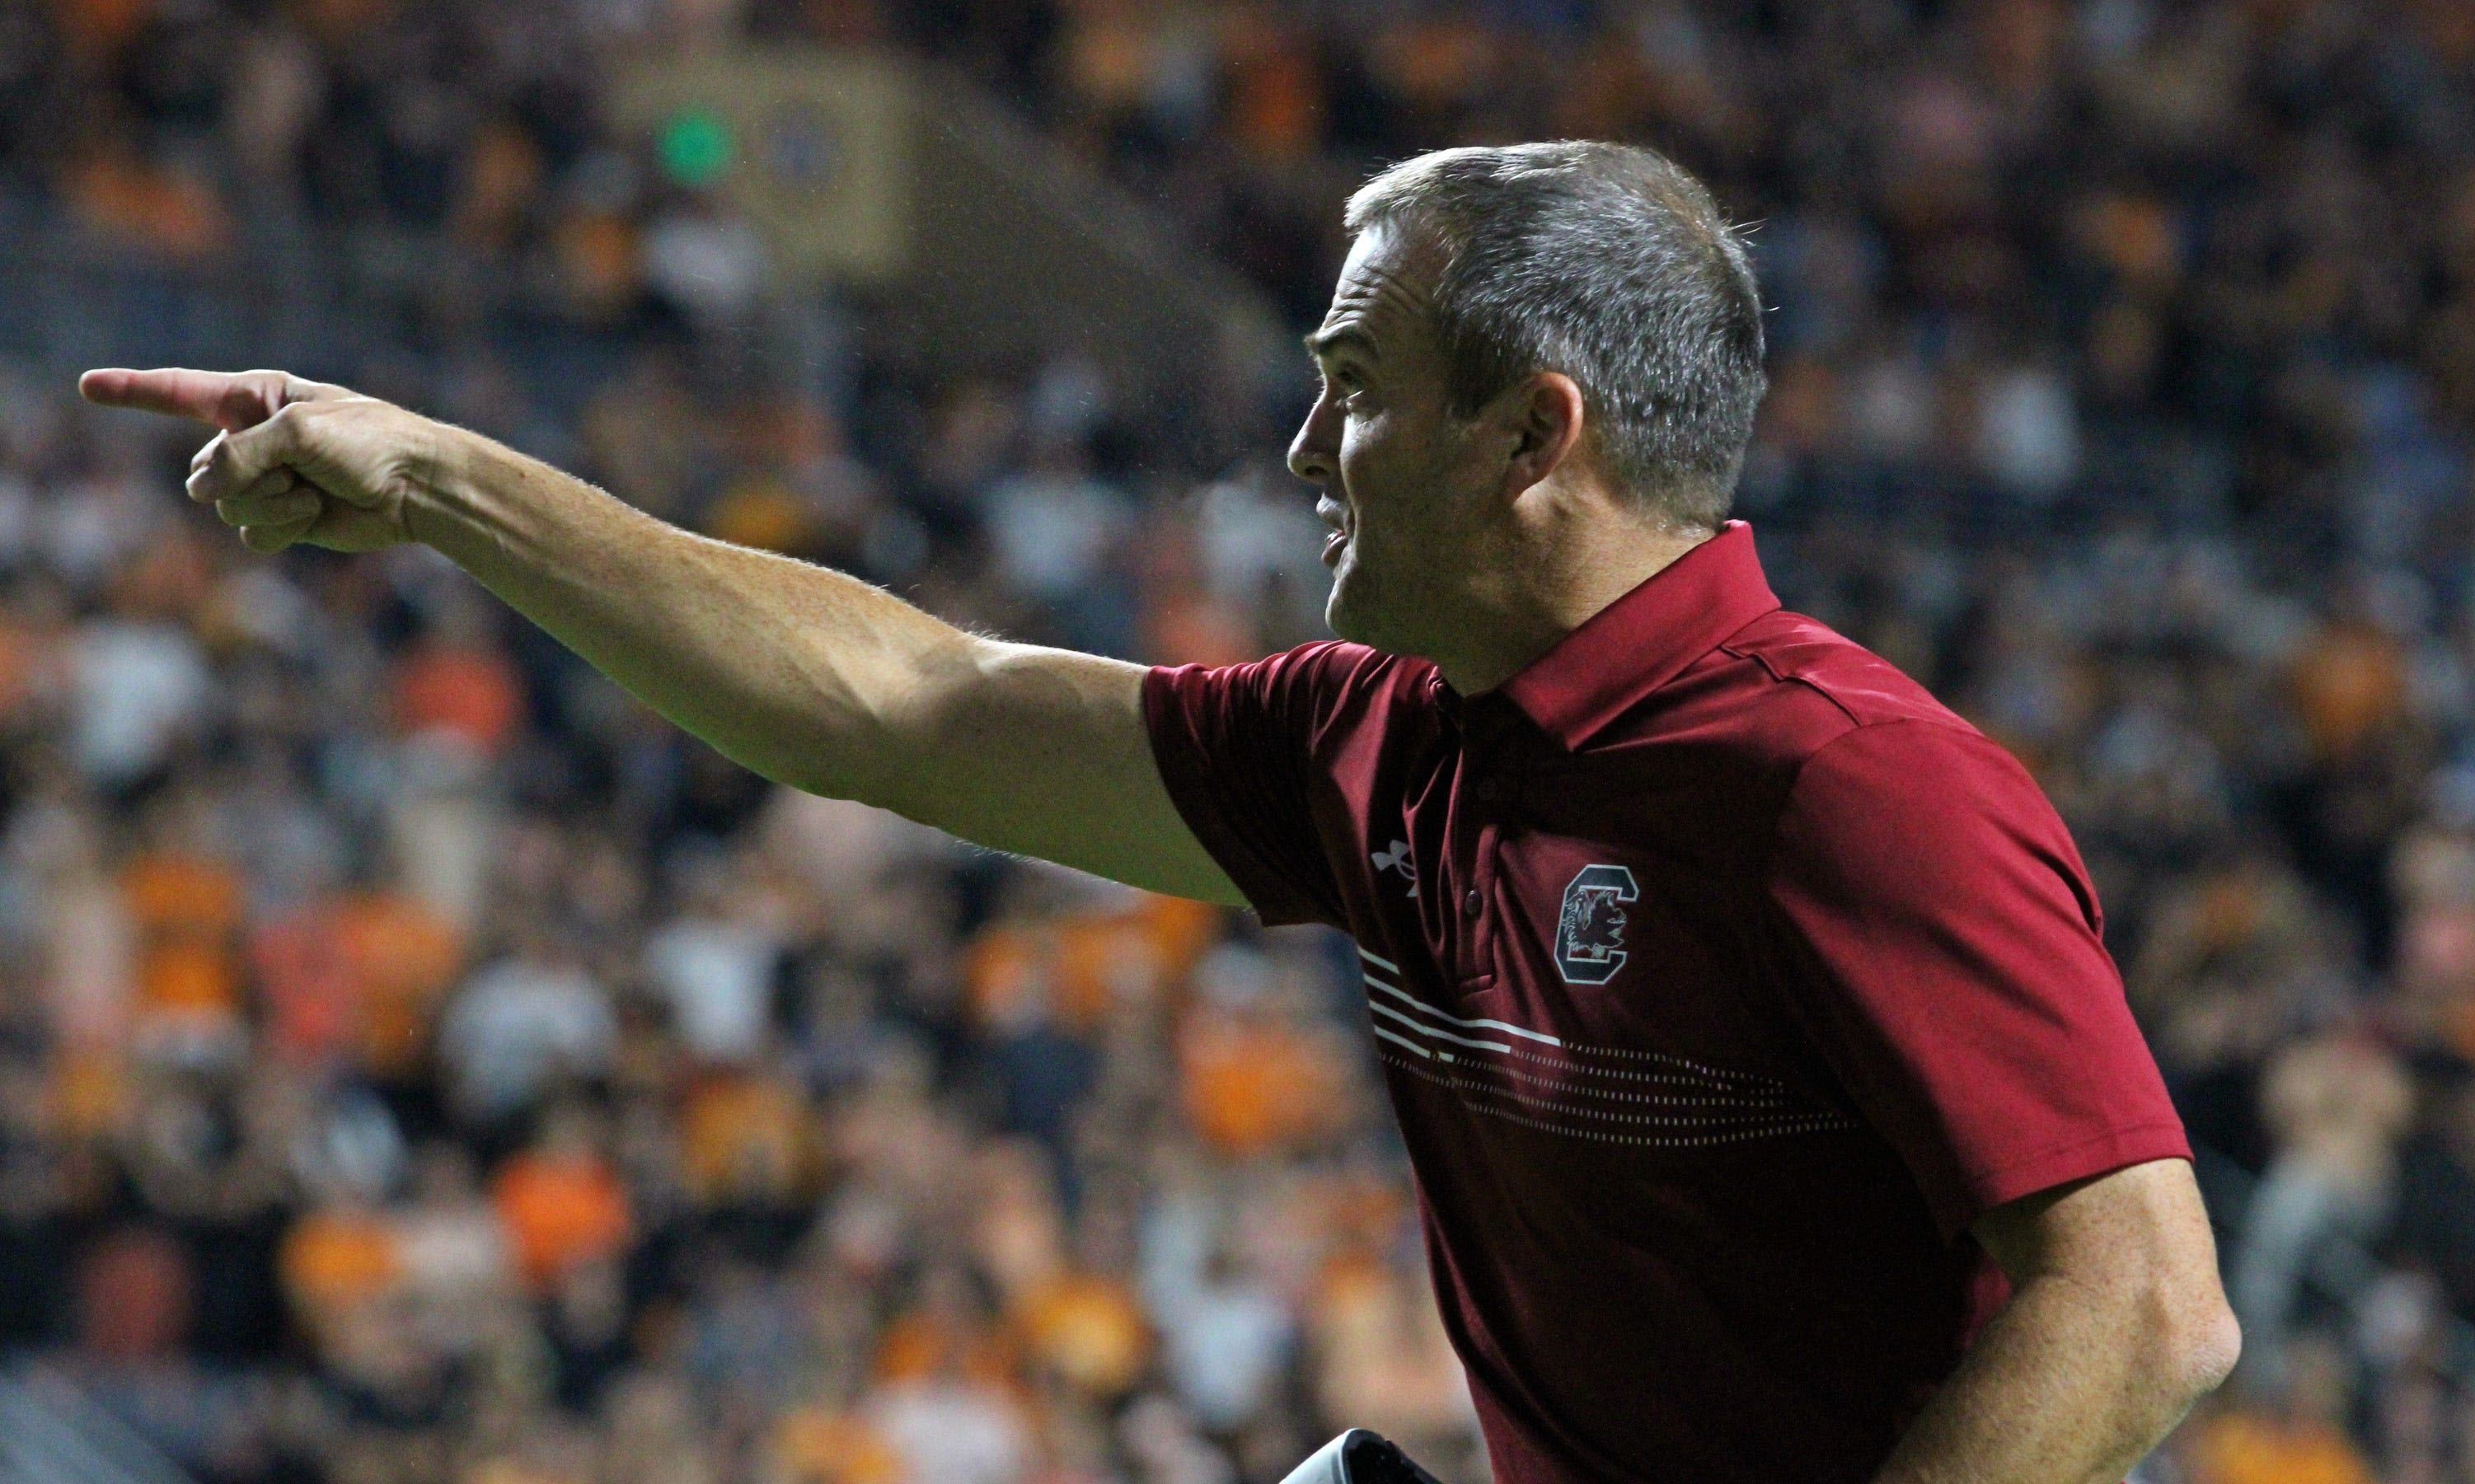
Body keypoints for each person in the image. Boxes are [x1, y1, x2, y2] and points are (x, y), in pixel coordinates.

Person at [82, 141, 2238, 1484]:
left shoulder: (1845, 785)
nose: (1304, 445)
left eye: (1354, 377)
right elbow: (909, 704)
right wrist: (449, 480)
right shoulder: (1381, 737)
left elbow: (2143, 1301)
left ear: (1530, 432)